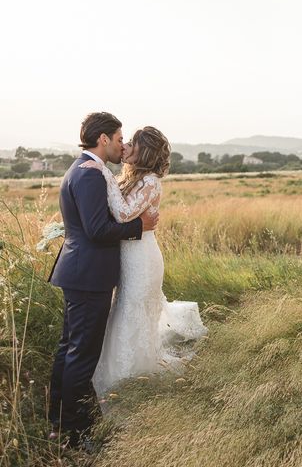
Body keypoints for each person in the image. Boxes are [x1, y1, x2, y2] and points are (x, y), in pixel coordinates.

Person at [48, 112, 159, 448]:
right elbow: (97, 231)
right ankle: (78, 436)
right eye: (119, 137)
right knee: (81, 357)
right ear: (104, 139)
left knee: (69, 350)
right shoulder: (91, 174)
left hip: (81, 273)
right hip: (88, 276)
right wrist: (141, 227)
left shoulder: (83, 169)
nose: (122, 144)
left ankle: (58, 423)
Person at [80, 126, 207, 400]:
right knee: (123, 314)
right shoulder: (131, 177)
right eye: (123, 142)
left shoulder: (150, 181)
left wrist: (104, 172)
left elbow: (124, 213)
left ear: (143, 151)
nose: (124, 147)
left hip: (142, 260)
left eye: (131, 144)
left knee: (132, 316)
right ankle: (122, 381)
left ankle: (132, 384)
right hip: (128, 257)